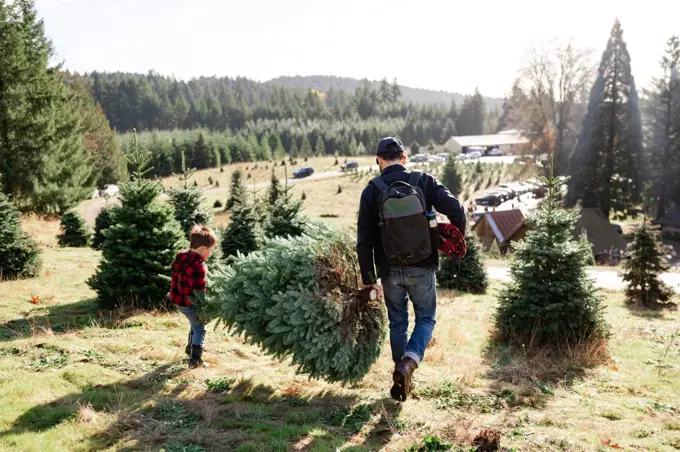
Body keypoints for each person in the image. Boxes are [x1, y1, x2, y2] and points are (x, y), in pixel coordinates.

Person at [356, 137, 466, 402]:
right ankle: (408, 366)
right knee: (426, 319)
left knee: (397, 323)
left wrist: (370, 280)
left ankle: (401, 377)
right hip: (423, 266)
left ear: (379, 160)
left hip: (389, 270)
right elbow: (457, 210)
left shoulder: (372, 190)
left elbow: (364, 241)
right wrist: (453, 241)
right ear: (404, 158)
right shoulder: (423, 181)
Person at [169, 224, 217, 368]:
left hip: (177, 299)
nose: (212, 252)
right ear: (203, 249)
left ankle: (190, 349)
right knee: (200, 328)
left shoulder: (182, 255)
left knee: (194, 324)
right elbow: (198, 291)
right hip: (188, 303)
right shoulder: (198, 266)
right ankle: (195, 360)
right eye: (211, 249)